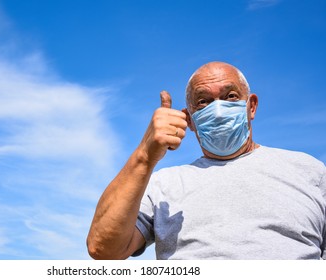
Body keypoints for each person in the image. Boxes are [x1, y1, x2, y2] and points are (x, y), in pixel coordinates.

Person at [86, 61, 326, 260]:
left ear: (251, 106)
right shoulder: (163, 185)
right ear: (189, 120)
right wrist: (144, 156)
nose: (219, 110)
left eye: (230, 96)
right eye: (203, 102)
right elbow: (104, 250)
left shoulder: (308, 171)